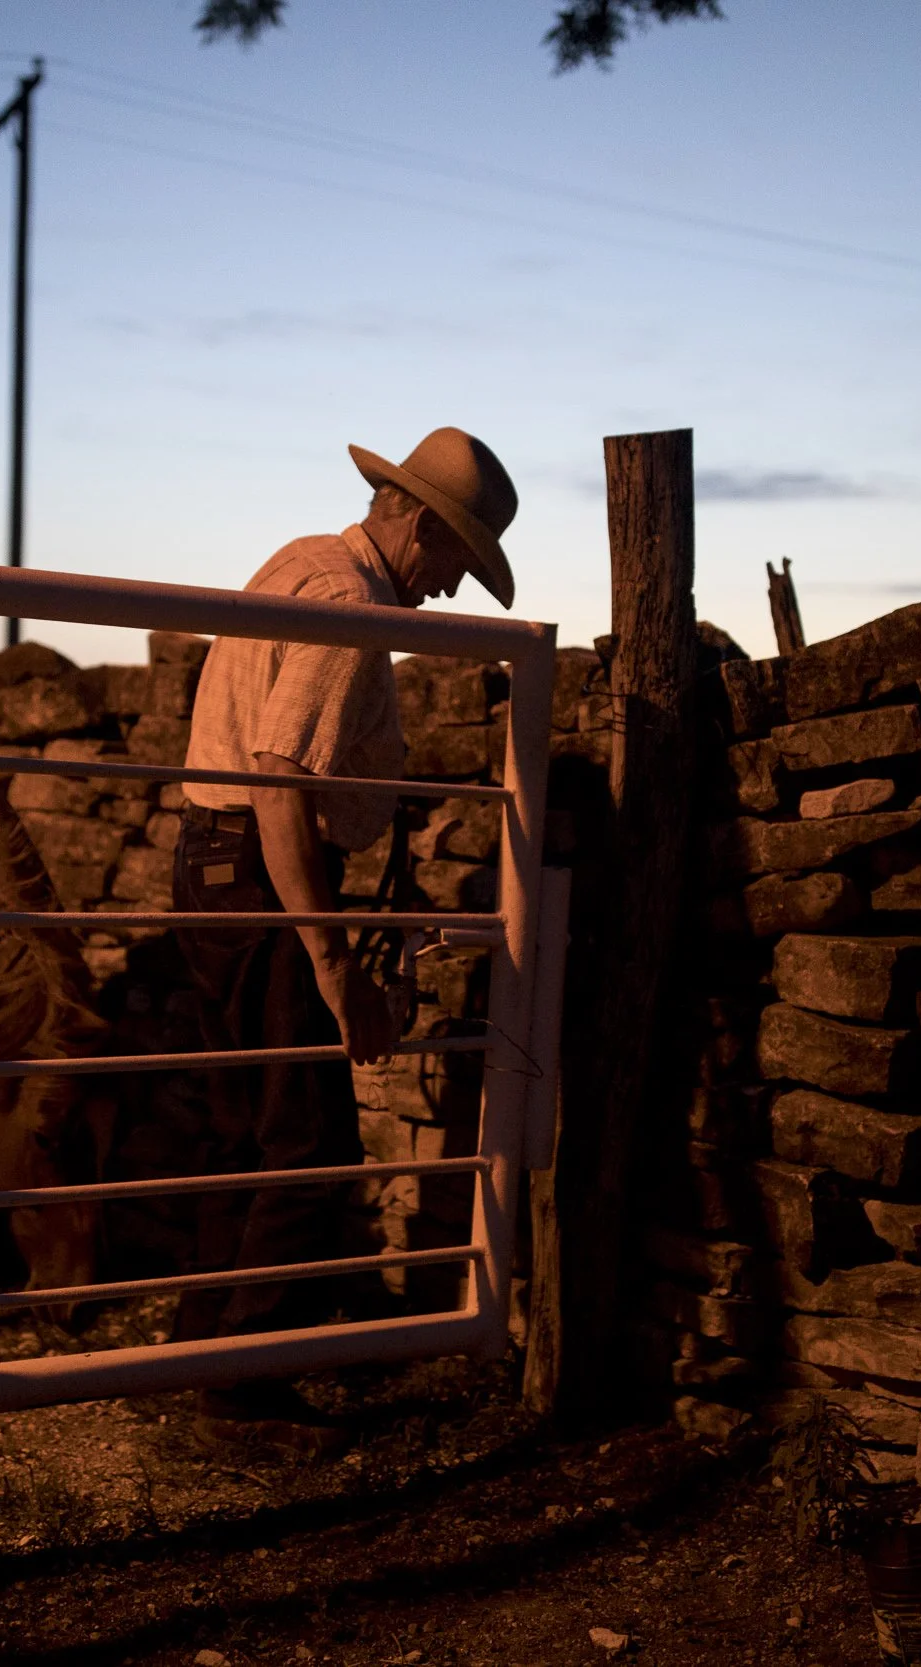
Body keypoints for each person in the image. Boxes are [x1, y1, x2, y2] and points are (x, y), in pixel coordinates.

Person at [174, 426, 519, 1457]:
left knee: (244, 1128)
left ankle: (199, 1350)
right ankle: (244, 1390)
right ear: (413, 520)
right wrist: (329, 960)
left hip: (217, 866)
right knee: (309, 1142)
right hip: (265, 878)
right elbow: (280, 775)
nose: (451, 588)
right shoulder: (348, 603)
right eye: (454, 552)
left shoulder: (301, 562)